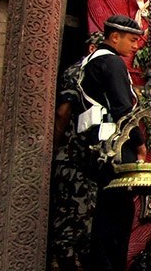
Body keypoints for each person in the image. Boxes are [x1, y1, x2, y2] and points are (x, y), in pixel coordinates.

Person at [82, 15, 146, 271]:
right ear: (114, 37)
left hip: (97, 145)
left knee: (107, 216)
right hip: (115, 148)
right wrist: (139, 144)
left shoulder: (91, 62)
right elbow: (122, 109)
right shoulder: (111, 62)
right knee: (117, 217)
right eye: (131, 40)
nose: (135, 46)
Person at [48, 32, 103, 270]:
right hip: (72, 156)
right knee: (69, 215)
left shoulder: (98, 73)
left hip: (88, 158)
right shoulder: (79, 71)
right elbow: (64, 111)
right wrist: (53, 147)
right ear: (92, 48)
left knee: (84, 216)